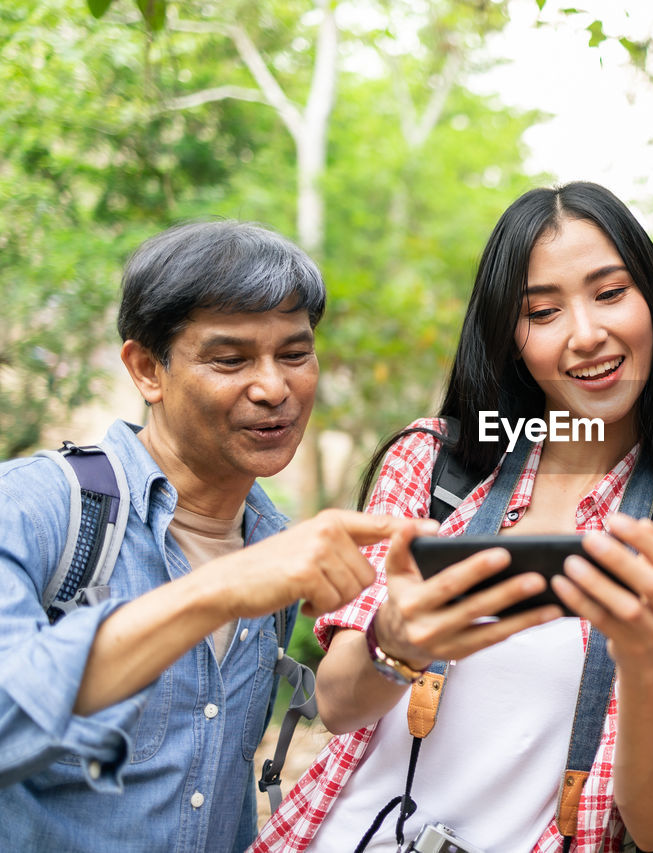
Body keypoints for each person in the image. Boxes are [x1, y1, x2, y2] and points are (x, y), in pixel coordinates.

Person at [253, 181, 653, 853]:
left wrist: (643, 656)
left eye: (610, 294)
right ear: (511, 336)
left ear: (652, 305)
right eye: (543, 312)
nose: (587, 334)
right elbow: (339, 703)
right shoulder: (433, 462)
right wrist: (396, 637)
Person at [0, 220, 419, 851]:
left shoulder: (273, 544)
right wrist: (219, 591)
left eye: (295, 354)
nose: (274, 388)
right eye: (230, 360)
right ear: (147, 369)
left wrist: (400, 639)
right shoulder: (36, 508)